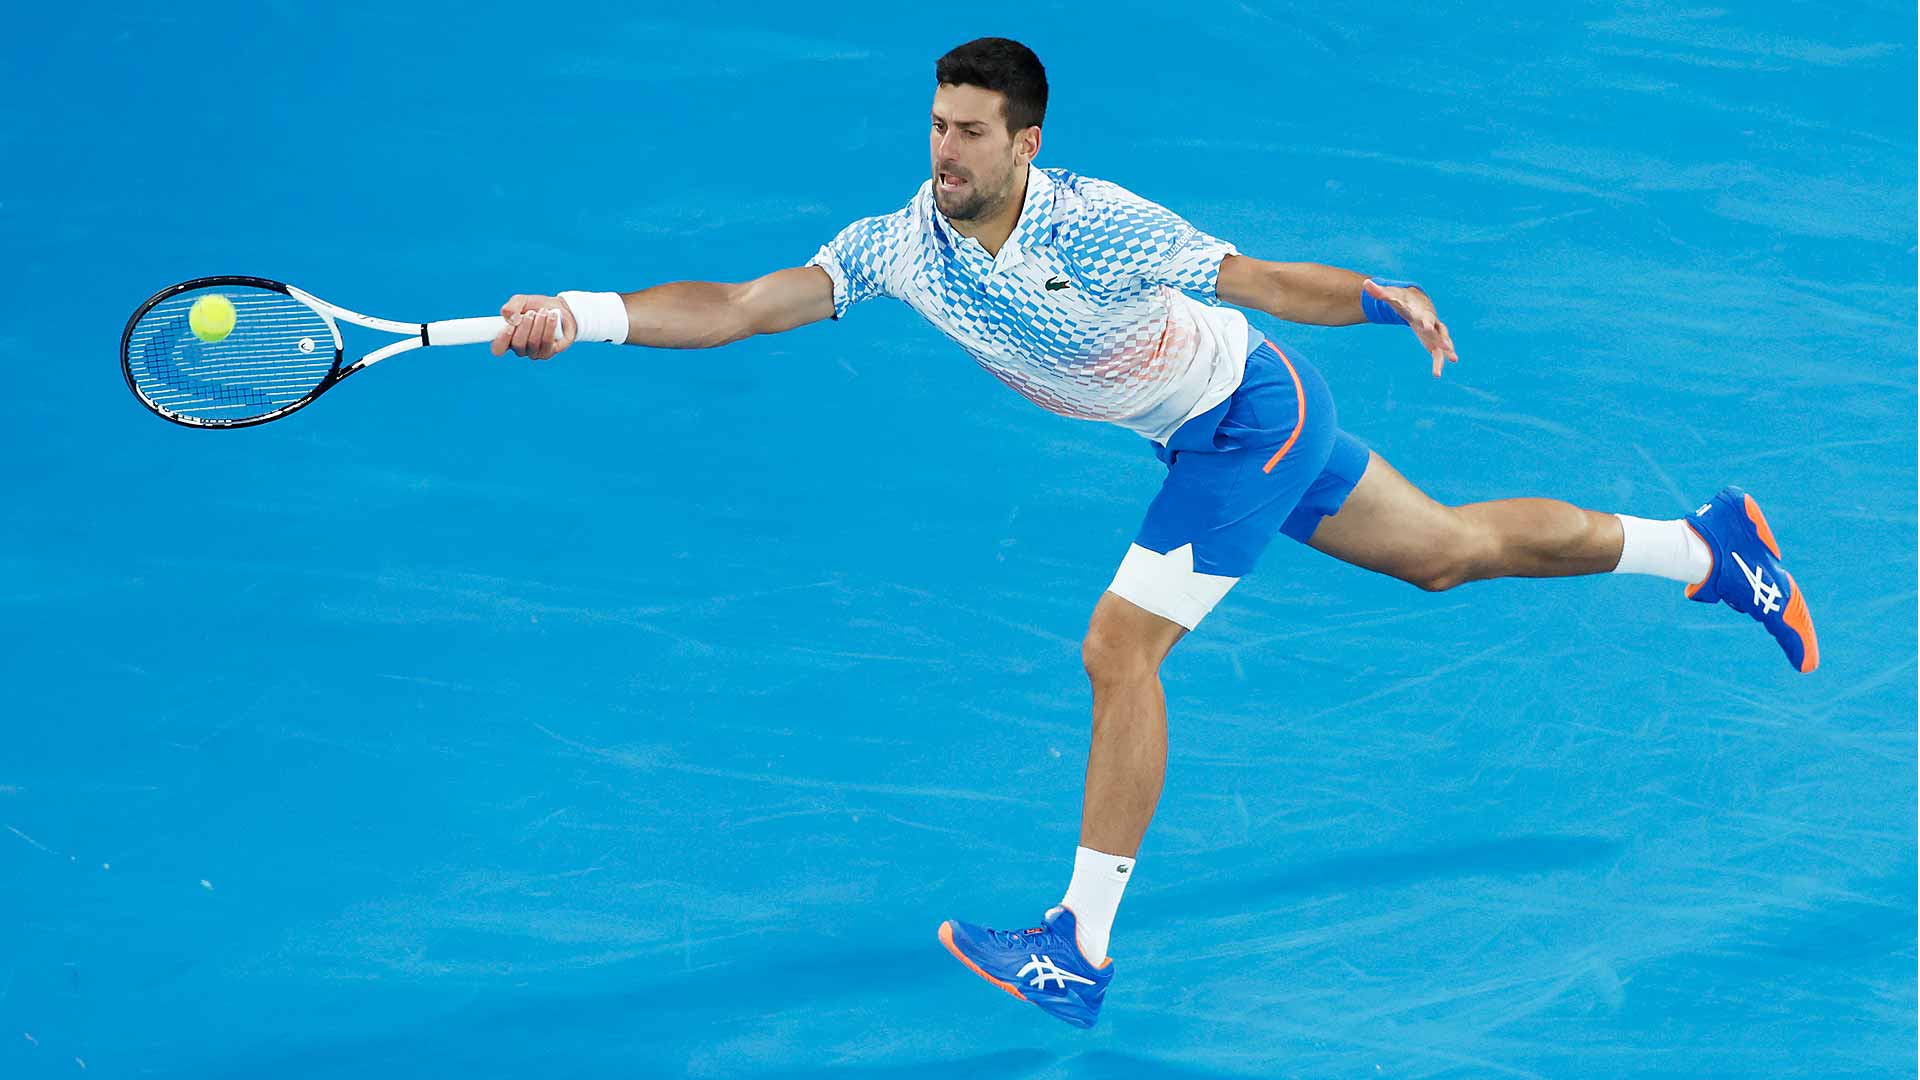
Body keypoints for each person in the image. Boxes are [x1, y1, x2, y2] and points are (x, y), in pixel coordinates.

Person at [489, 36, 1818, 1029]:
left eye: (968, 134)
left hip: (1250, 415)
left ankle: (1080, 940)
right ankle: (1708, 548)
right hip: (1213, 434)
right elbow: (737, 302)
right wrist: (587, 310)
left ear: (1026, 143)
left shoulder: (1101, 224)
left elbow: (1253, 282)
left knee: (1118, 650)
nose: (942, 154)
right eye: (935, 127)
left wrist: (1373, 298)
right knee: (1447, 556)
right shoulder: (901, 243)